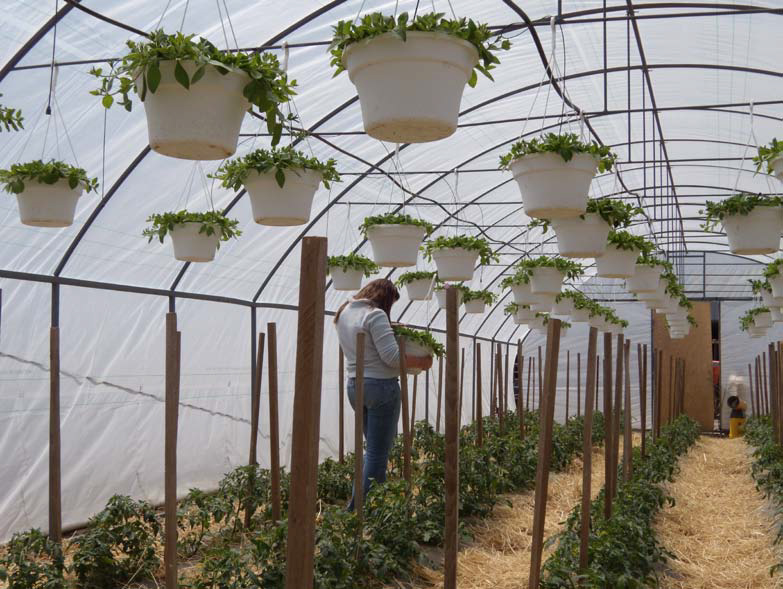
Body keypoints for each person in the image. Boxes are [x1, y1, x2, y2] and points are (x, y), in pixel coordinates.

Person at [334, 278, 433, 509]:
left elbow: (367, 342)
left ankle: (371, 503)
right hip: (381, 387)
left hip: (355, 386)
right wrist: (423, 361)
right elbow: (392, 358)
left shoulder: (345, 312)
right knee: (378, 453)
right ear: (385, 299)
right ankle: (361, 510)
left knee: (372, 451)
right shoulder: (375, 315)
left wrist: (393, 328)